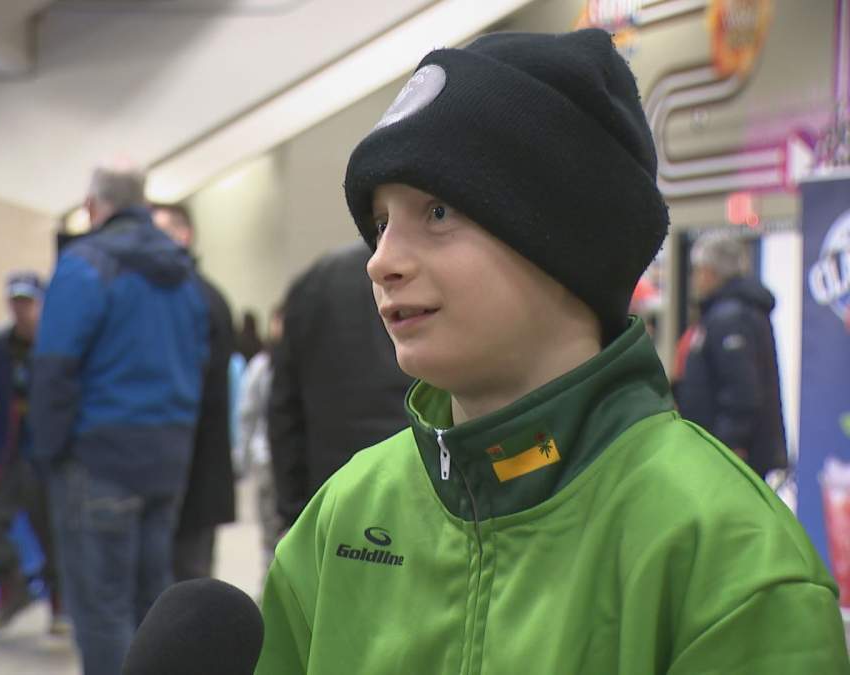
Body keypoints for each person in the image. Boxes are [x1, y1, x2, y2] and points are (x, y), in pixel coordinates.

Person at [256, 29, 850, 674]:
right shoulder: (346, 514)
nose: (383, 261)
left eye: (437, 212)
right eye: (381, 224)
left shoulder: (726, 553)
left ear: (567, 244)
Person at [30, 161, 208, 675]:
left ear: (91, 207)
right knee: (152, 604)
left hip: (99, 459)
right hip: (167, 459)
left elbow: (54, 367)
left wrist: (48, 453)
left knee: (101, 608)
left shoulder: (86, 264)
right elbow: (197, 360)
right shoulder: (183, 272)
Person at [268, 241, 410, 528]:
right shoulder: (420, 275)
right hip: (417, 479)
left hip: (330, 491)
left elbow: (284, 408)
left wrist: (292, 509)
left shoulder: (314, 282)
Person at [0, 272, 64, 633]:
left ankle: (60, 606)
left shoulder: (57, 347)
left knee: (53, 533)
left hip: (46, 459)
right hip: (5, 458)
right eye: (15, 302)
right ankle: (12, 586)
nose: (21, 310)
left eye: (28, 302)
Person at [151, 203, 237, 581]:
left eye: (160, 231)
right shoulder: (172, 297)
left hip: (195, 464)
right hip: (172, 463)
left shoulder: (198, 299)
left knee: (188, 576)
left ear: (184, 235)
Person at [675, 234, 788, 480]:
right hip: (722, 451)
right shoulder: (729, 313)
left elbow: (742, 391)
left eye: (698, 270)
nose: (695, 278)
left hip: (729, 457)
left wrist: (725, 445)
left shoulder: (730, 317)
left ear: (711, 272)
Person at [236, 305, 284, 572]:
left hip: (275, 456)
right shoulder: (262, 366)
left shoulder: (266, 365)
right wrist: (241, 459)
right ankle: (271, 584)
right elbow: (247, 414)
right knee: (270, 530)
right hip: (266, 457)